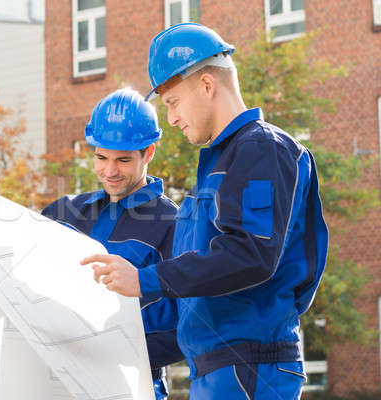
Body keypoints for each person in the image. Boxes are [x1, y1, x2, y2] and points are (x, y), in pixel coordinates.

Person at [81, 23, 328, 399]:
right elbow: (195, 286)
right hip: (219, 369)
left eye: (173, 103)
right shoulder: (220, 167)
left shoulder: (261, 149)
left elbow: (251, 254)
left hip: (249, 366)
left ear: (207, 86)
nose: (172, 118)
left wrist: (145, 279)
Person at [42, 88, 184, 400]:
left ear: (149, 153)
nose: (110, 171)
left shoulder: (172, 224)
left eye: (122, 160)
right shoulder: (65, 214)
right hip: (62, 386)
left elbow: (185, 326)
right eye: (101, 158)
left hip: (133, 387)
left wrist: (109, 345)